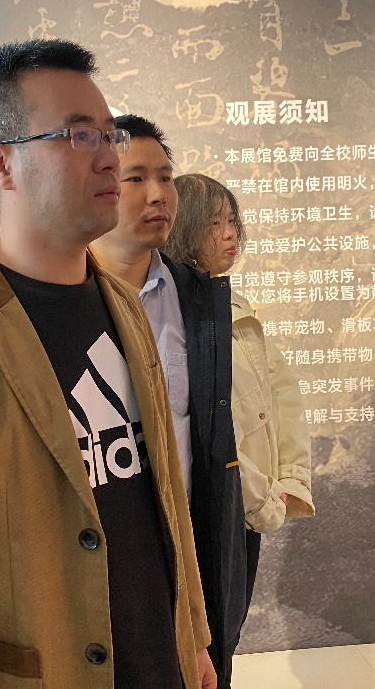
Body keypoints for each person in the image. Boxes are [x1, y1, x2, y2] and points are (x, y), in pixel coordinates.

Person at [0, 40, 215, 689]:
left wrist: (192, 635)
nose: (109, 155)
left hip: (157, 660)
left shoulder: (124, 304)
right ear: (0, 163)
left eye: (109, 134)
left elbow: (164, 492)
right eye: (79, 135)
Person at [89, 114, 246, 688]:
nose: (157, 194)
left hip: (192, 539)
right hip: (102, 547)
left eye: (165, 177)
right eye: (135, 178)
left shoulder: (197, 295)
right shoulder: (65, 303)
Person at [164, 173, 315, 613]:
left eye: (231, 220)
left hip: (246, 506)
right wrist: (262, 498)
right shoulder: (173, 314)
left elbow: (282, 395)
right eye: (214, 223)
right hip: (212, 503)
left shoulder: (232, 306)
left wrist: (288, 481)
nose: (229, 233)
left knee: (227, 625)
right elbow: (200, 428)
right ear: (184, 228)